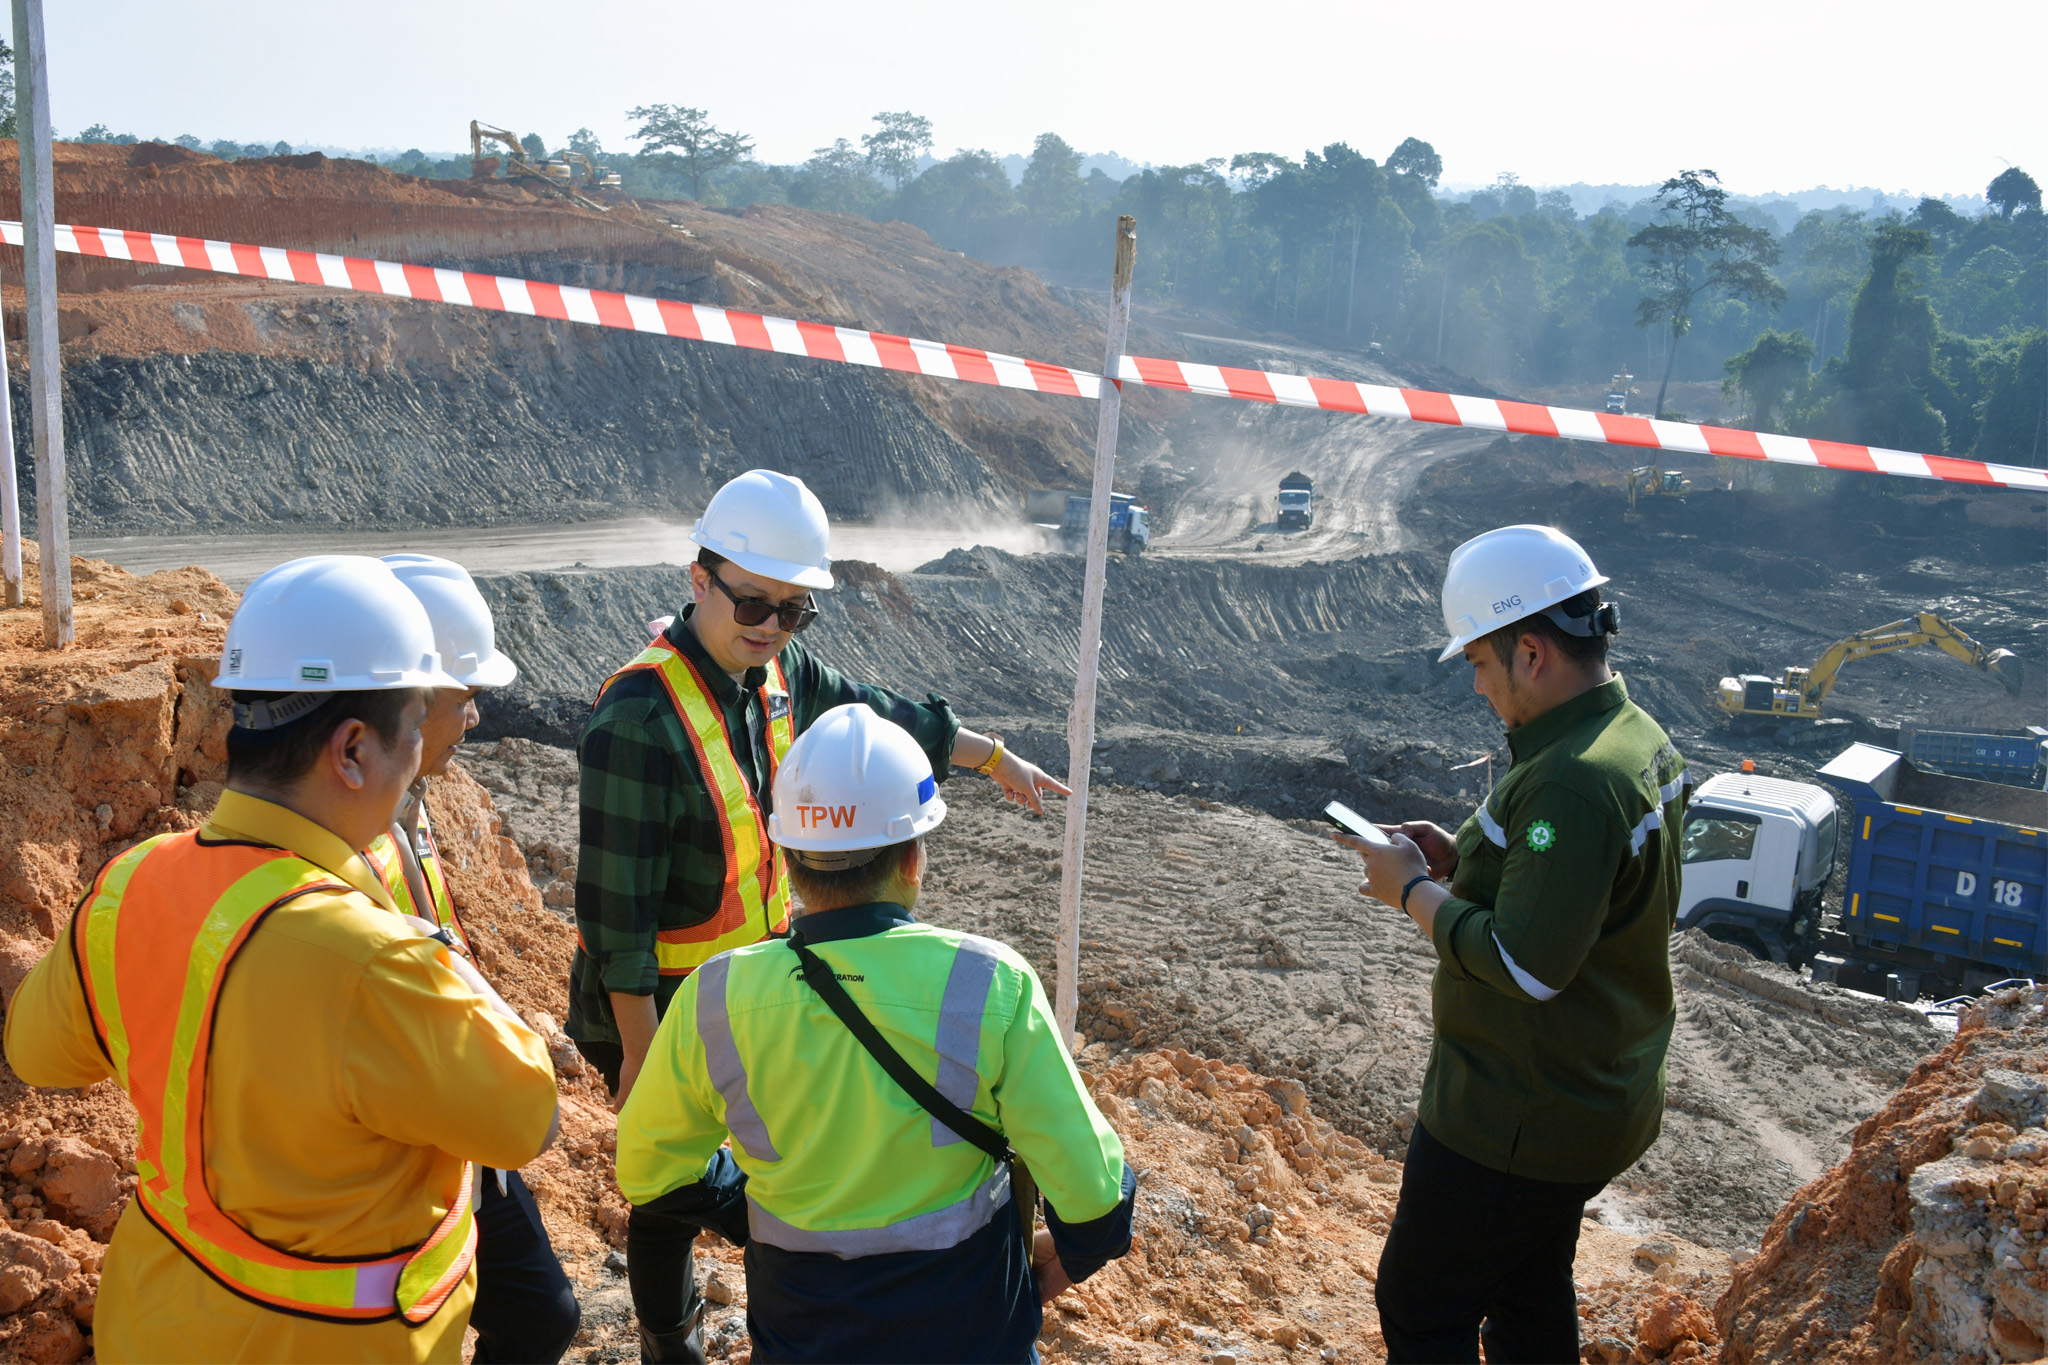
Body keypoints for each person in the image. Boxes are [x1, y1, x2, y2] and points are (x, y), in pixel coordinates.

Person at [4, 555, 562, 1363]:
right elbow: (528, 1116)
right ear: (352, 749)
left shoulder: (130, 883)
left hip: (154, 1325)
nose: (421, 760)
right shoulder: (379, 961)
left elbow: (37, 1051)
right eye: (415, 729)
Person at [568, 469, 1070, 1360]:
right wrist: (641, 1049)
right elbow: (616, 914)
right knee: (667, 1190)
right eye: (751, 602)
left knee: (751, 1161)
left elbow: (881, 712)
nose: (768, 626)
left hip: (749, 983)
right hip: (649, 994)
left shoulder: (779, 672)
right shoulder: (637, 714)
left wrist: (991, 758)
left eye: (791, 610)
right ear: (699, 578)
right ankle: (665, 1334)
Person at [615, 703, 1135, 1364]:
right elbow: (1095, 1205)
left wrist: (747, 1204)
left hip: (800, 1337)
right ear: (913, 857)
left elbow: (647, 1171)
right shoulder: (991, 983)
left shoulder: (714, 996)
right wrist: (1035, 1278)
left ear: (790, 859)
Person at [1335, 525, 1687, 1365]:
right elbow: (1578, 885)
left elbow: (1526, 964)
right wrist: (1463, 859)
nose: (1482, 690)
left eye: (1482, 666)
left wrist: (1412, 890)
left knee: (1421, 1302)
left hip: (1515, 1114)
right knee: (1529, 1284)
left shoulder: (1573, 778)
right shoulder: (1633, 738)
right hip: (1589, 1098)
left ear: (1531, 651)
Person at [359, 553, 582, 1365]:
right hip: (410, 1144)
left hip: (458, 1129)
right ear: (412, 700)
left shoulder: (405, 800)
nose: (477, 719)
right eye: (467, 699)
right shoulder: (347, 835)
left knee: (542, 1313)